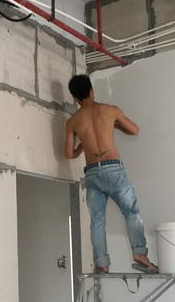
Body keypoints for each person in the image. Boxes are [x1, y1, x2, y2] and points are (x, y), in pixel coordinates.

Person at [65, 74, 158, 274]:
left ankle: (102, 264)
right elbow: (134, 130)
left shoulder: (72, 121)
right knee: (131, 212)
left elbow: (69, 153)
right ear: (92, 91)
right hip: (114, 169)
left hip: (92, 174)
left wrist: (83, 145)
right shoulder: (110, 110)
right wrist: (114, 124)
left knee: (97, 221)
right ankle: (140, 254)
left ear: (74, 97)